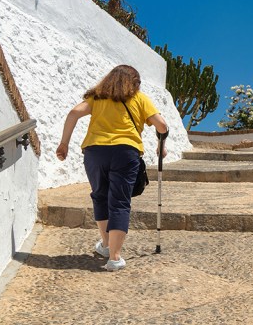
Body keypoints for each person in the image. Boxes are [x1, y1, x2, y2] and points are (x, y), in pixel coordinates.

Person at [56, 65, 169, 271]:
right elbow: (162, 126)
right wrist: (161, 146)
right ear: (134, 83)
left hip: (95, 151)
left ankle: (107, 246)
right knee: (119, 202)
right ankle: (114, 258)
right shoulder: (140, 99)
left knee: (100, 196)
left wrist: (64, 143)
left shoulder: (98, 97)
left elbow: (73, 113)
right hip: (126, 152)